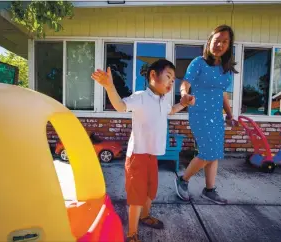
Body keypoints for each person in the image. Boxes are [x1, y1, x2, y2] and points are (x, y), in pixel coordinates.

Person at [91, 59, 192, 242]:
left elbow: (172, 110)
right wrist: (109, 87)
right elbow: (121, 107)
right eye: (168, 77)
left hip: (152, 155)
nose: (171, 83)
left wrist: (184, 103)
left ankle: (145, 216)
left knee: (150, 191)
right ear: (153, 75)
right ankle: (131, 233)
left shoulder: (163, 100)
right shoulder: (140, 97)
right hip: (137, 155)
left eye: (173, 81)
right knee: (136, 196)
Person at [174, 25, 238, 204]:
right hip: (200, 113)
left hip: (217, 116)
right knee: (208, 151)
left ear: (229, 46)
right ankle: (182, 180)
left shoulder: (225, 69)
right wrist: (184, 94)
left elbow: (223, 93)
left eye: (225, 42)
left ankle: (209, 190)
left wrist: (230, 114)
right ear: (210, 41)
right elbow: (186, 82)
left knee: (215, 153)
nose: (220, 44)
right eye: (217, 40)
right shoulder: (198, 62)